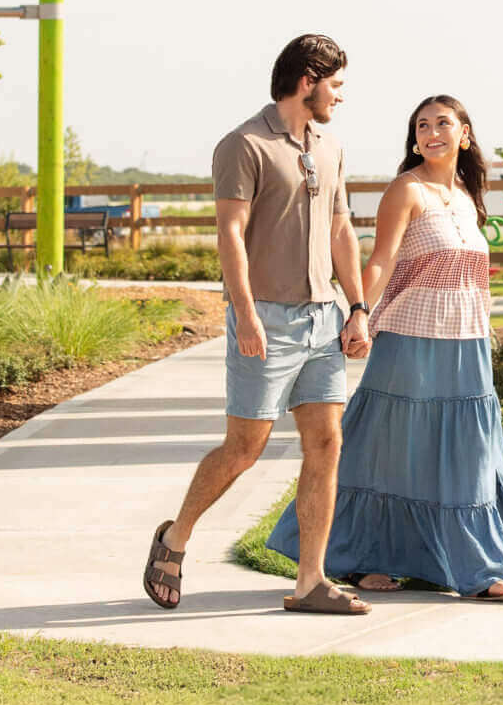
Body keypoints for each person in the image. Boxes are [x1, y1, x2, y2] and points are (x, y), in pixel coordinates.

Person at [266, 94, 503, 601]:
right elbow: (380, 260)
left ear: (464, 133)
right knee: (387, 448)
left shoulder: (468, 194)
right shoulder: (407, 190)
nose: (431, 132)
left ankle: (473, 564)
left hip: (466, 342)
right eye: (422, 125)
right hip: (411, 339)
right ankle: (362, 558)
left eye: (443, 123)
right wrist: (358, 310)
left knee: (468, 452)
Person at [143, 33, 373, 616]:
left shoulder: (331, 146)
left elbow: (342, 230)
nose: (340, 96)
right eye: (336, 85)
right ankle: (175, 539)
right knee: (245, 447)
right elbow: (230, 236)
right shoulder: (242, 144)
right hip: (265, 319)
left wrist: (358, 306)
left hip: (324, 319)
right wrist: (245, 313)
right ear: (308, 81)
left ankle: (310, 582)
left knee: (325, 443)